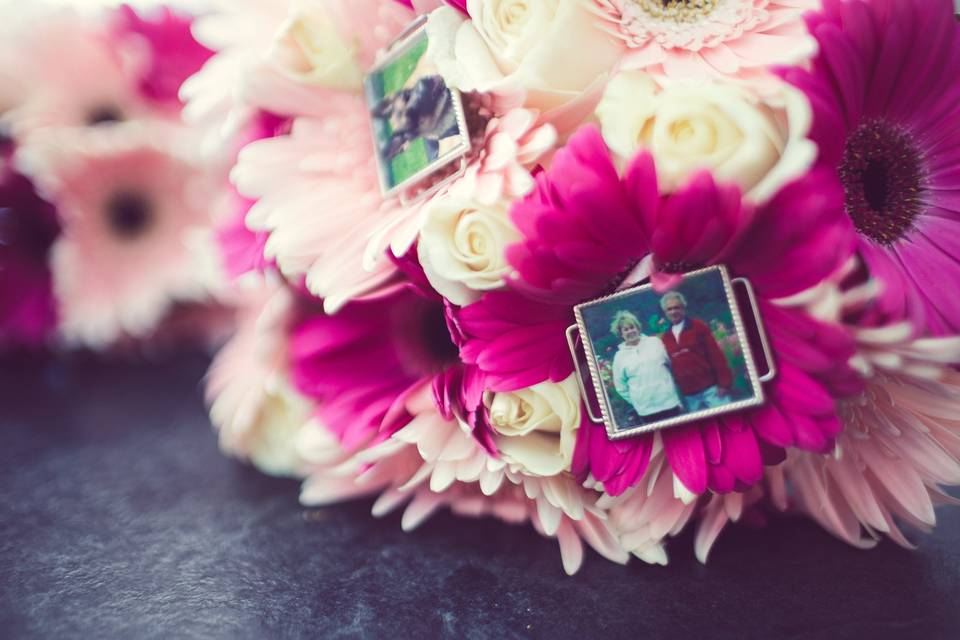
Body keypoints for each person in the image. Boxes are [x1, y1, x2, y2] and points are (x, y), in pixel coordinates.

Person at [658, 291, 733, 411]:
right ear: (665, 312)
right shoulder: (665, 337)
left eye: (677, 307)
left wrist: (723, 383)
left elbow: (716, 355)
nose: (673, 312)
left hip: (712, 389)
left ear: (683, 308)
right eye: (669, 309)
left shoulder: (698, 326)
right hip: (689, 396)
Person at [610, 310, 684, 427]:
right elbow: (620, 387)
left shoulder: (655, 342)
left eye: (632, 327)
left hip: (669, 402)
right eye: (626, 329)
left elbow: (671, 365)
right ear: (621, 334)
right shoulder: (619, 357)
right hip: (646, 411)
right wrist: (637, 401)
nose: (630, 331)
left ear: (638, 328)